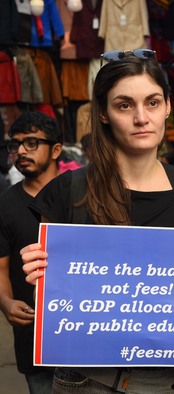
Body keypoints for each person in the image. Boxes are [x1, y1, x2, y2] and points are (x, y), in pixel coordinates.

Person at [20, 50, 174, 393]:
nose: (140, 117)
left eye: (151, 103)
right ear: (103, 113)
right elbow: (51, 304)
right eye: (124, 105)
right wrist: (37, 277)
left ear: (167, 106)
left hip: (173, 382)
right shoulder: (67, 190)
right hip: (86, 380)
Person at [0, 111, 63, 393]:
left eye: (32, 143)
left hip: (82, 332)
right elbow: (1, 267)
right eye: (15, 145)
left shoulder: (83, 193)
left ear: (56, 150)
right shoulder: (6, 204)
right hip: (32, 337)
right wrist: (5, 302)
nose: (21, 151)